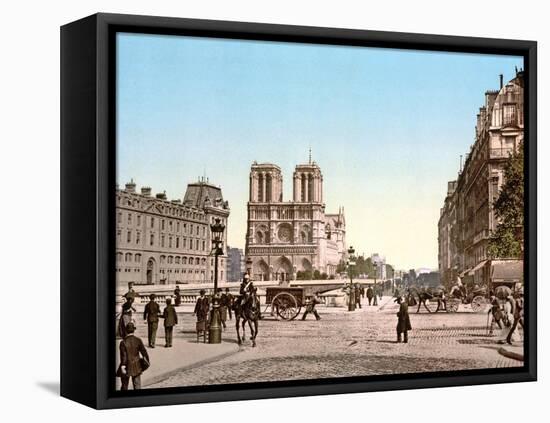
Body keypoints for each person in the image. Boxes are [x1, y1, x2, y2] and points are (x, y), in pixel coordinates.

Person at [116, 322, 149, 390]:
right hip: (137, 365)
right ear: (134, 330)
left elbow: (124, 356)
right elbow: (144, 352)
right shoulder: (138, 340)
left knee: (124, 386)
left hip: (126, 365)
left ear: (126, 331)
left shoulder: (123, 342)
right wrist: (146, 361)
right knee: (137, 385)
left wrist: (123, 366)